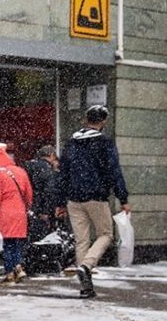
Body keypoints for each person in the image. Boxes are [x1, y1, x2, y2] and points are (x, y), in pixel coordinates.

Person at [56, 105, 130, 298]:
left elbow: (62, 174)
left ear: (85, 120)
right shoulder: (104, 142)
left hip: (73, 199)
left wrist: (60, 202)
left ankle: (85, 286)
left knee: (82, 240)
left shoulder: (71, 143)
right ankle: (87, 266)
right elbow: (114, 171)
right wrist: (123, 198)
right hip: (96, 197)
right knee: (106, 234)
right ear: (103, 122)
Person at [0, 145, 33, 285]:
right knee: (16, 243)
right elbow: (29, 194)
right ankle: (19, 267)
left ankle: (10, 274)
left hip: (5, 213)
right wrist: (26, 207)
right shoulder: (20, 171)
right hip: (20, 212)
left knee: (7, 245)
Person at [23, 145, 59, 242]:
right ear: (51, 155)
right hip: (41, 206)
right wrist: (45, 211)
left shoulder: (28, 166)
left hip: (29, 205)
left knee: (30, 233)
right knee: (44, 236)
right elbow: (49, 191)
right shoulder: (47, 169)